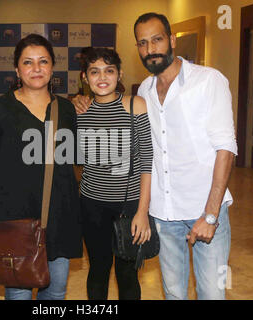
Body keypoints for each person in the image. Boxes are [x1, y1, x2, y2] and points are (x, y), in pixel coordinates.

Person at [73, 12, 237, 300]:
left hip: (203, 208)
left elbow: (226, 147)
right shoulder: (146, 90)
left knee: (212, 292)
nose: (150, 49)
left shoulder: (209, 81)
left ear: (171, 40)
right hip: (164, 212)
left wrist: (210, 215)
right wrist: (80, 100)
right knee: (173, 292)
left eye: (157, 40)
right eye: (143, 43)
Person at [0, 33, 83, 300]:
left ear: (52, 67)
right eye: (28, 62)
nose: (36, 69)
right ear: (17, 69)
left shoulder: (67, 110)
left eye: (43, 61)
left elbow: (76, 159)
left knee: (56, 293)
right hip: (15, 223)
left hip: (58, 219)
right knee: (18, 295)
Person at [77, 47, 153, 300]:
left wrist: (142, 211)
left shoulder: (135, 105)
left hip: (128, 205)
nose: (102, 77)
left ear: (119, 74)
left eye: (109, 71)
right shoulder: (79, 112)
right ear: (85, 78)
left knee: (127, 273)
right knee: (98, 269)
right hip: (91, 204)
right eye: (94, 71)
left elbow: (146, 161)